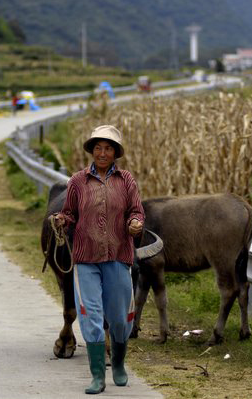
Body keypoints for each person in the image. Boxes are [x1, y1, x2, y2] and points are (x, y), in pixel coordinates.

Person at [53, 125, 144, 394]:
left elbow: (136, 211)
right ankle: (96, 376)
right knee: (90, 316)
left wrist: (136, 223)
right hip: (86, 258)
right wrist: (61, 220)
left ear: (115, 153)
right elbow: (69, 213)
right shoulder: (78, 181)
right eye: (98, 148)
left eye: (108, 148)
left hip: (118, 256)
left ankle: (118, 364)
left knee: (118, 318)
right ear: (92, 151)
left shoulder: (126, 180)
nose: (102, 153)